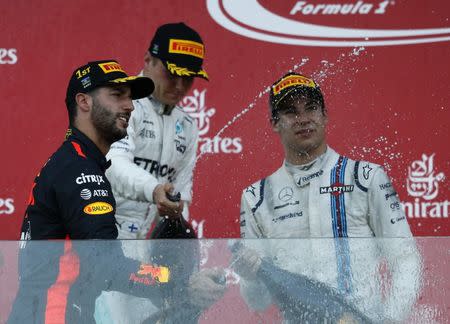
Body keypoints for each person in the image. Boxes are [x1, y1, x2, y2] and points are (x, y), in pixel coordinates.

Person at [7, 59, 189, 323]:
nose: (129, 106)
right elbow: (107, 268)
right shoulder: (83, 172)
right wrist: (170, 278)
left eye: (130, 98)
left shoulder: (71, 161)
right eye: (117, 95)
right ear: (84, 102)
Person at [235, 72, 422, 322]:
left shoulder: (365, 178)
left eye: (311, 108)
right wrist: (248, 277)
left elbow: (406, 259)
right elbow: (258, 300)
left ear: (325, 116)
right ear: (274, 123)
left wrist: (389, 320)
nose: (303, 119)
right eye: (291, 112)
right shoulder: (256, 197)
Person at [97, 23, 225, 323]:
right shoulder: (123, 106)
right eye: (172, 73)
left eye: (189, 78)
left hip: (148, 263)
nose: (180, 85)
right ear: (148, 61)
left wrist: (189, 272)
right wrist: (155, 189)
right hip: (104, 252)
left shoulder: (189, 126)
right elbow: (113, 165)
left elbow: (180, 205)